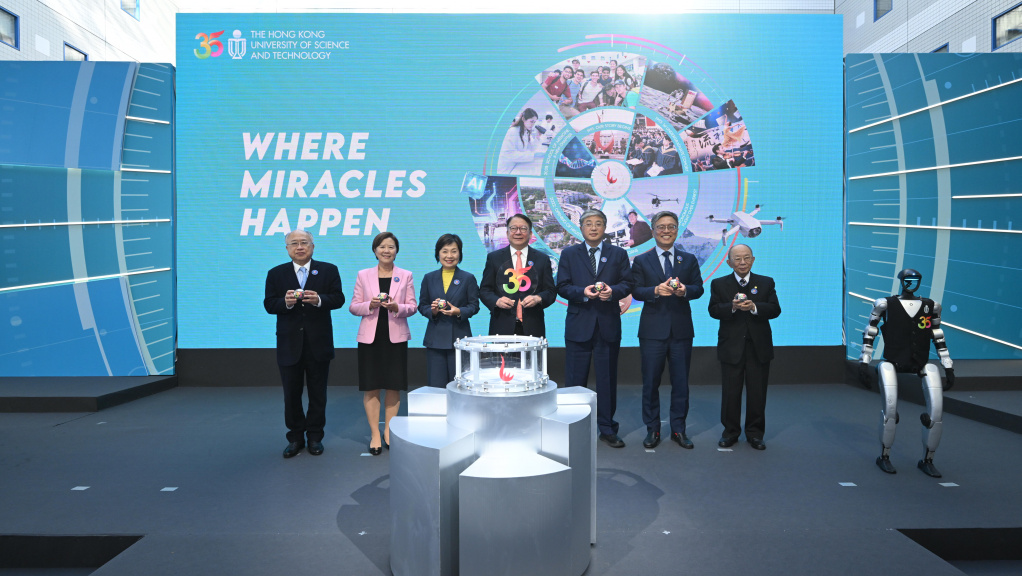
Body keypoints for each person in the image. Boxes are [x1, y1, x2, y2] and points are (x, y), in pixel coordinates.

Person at [858, 269, 955, 477]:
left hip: (921, 360)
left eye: (915, 280)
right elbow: (870, 331)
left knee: (936, 412)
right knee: (890, 411)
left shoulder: (930, 306)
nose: (911, 283)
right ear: (901, 281)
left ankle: (928, 458)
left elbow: (937, 334)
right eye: (908, 280)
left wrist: (947, 365)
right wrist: (864, 362)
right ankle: (884, 455)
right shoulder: (885, 304)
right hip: (892, 360)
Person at [263, 229, 346, 459]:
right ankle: (295, 437)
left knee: (318, 393)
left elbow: (339, 299)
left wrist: (318, 299)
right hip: (289, 344)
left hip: (318, 343)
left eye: (304, 242)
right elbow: (269, 304)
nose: (299, 247)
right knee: (291, 394)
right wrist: (286, 303)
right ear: (287, 248)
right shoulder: (276, 273)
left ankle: (315, 437)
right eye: (294, 243)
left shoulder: (329, 270)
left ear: (312, 246)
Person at [556, 209, 632, 448]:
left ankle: (608, 428)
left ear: (604, 227)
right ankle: (573, 429)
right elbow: (562, 286)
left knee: (607, 380)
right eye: (588, 223)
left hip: (607, 325)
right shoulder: (569, 254)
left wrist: (613, 293)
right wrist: (582, 293)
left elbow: (628, 283)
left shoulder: (618, 254)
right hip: (579, 325)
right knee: (575, 382)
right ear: (581, 227)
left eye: (598, 223)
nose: (593, 227)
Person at [630, 212, 704, 449]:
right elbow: (636, 291)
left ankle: (678, 430)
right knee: (650, 383)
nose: (666, 230)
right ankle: (652, 429)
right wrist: (654, 291)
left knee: (681, 383)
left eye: (671, 226)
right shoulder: (642, 260)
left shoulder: (689, 259)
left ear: (677, 230)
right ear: (652, 231)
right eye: (661, 227)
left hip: (681, 331)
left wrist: (685, 291)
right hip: (652, 332)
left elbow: (698, 288)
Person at [349, 232, 417, 455]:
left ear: (397, 250)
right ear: (375, 250)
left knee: (393, 385)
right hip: (370, 338)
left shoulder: (405, 275)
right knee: (371, 386)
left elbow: (412, 307)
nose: (386, 251)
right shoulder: (363, 275)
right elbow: (353, 307)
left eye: (391, 247)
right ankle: (375, 434)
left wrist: (397, 307)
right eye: (382, 247)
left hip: (395, 336)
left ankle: (388, 430)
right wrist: (371, 304)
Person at [707, 244, 780, 450]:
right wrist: (731, 306)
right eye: (737, 259)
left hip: (759, 347)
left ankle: (755, 434)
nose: (742, 262)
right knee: (731, 392)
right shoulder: (719, 284)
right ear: (729, 262)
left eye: (746, 258)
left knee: (757, 392)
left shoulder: (765, 283)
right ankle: (730, 432)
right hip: (731, 347)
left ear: (753, 260)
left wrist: (755, 307)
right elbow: (713, 310)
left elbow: (775, 309)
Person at [479, 214, 556, 337]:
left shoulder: (542, 259)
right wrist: (496, 301)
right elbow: (484, 290)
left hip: (533, 327)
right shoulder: (494, 258)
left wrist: (538, 298)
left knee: (532, 357)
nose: (518, 232)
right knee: (502, 357)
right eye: (513, 228)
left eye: (523, 229)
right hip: (501, 326)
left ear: (530, 234)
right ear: (507, 232)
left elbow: (551, 292)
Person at [418, 234, 480, 388]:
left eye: (454, 251)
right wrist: (432, 311)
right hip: (435, 339)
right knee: (436, 386)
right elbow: (422, 305)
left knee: (460, 386)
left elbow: (474, 306)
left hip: (459, 338)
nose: (449, 256)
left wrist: (458, 311)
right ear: (438, 253)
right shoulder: (429, 278)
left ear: (460, 253)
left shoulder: (467, 278)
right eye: (445, 251)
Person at [498, 108, 542, 174]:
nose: (533, 124)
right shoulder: (512, 131)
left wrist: (537, 137)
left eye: (534, 122)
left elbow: (531, 148)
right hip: (506, 169)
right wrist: (532, 155)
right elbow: (509, 154)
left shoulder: (526, 132)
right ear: (523, 119)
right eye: (531, 121)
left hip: (516, 166)